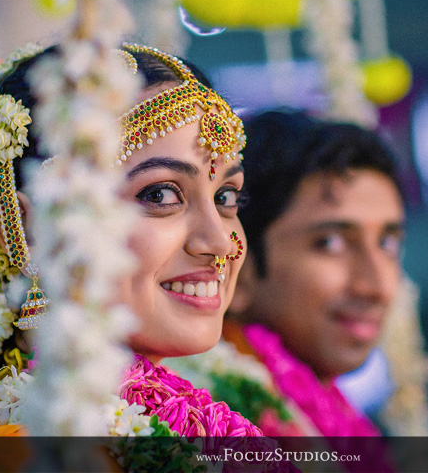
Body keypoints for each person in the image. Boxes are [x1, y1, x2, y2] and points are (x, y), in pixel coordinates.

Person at [0, 43, 284, 471]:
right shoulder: (26, 455)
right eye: (160, 194)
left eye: (225, 196)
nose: (219, 242)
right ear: (28, 232)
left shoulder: (178, 431)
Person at [166, 109, 408, 439]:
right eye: (330, 242)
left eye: (387, 243)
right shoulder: (197, 425)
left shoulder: (339, 421)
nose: (376, 286)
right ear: (236, 265)